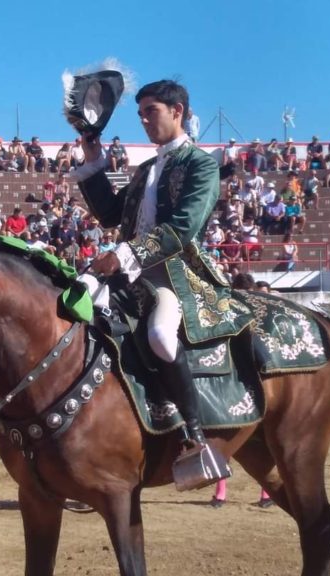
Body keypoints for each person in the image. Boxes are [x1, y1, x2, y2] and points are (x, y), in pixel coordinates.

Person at [75, 79, 232, 480]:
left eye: (152, 111)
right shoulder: (148, 168)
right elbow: (112, 216)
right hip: (130, 274)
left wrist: (124, 254)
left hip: (175, 274)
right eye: (141, 112)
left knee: (161, 335)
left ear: (177, 111)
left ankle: (194, 437)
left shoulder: (200, 163)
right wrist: (93, 160)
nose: (144, 120)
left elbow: (183, 228)